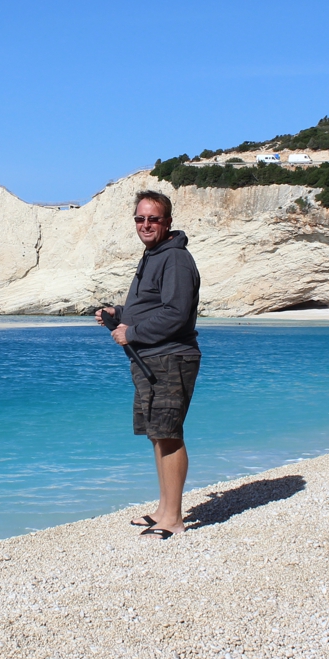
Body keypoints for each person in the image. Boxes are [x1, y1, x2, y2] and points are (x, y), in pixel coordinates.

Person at [95, 189, 201, 539]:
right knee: (157, 433)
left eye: (153, 218)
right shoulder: (153, 255)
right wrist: (118, 314)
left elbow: (177, 312)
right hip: (150, 358)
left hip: (171, 356)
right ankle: (163, 508)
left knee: (169, 434)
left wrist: (133, 332)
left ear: (167, 221)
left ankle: (173, 518)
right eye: (140, 218)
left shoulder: (175, 259)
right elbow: (152, 304)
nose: (145, 224)